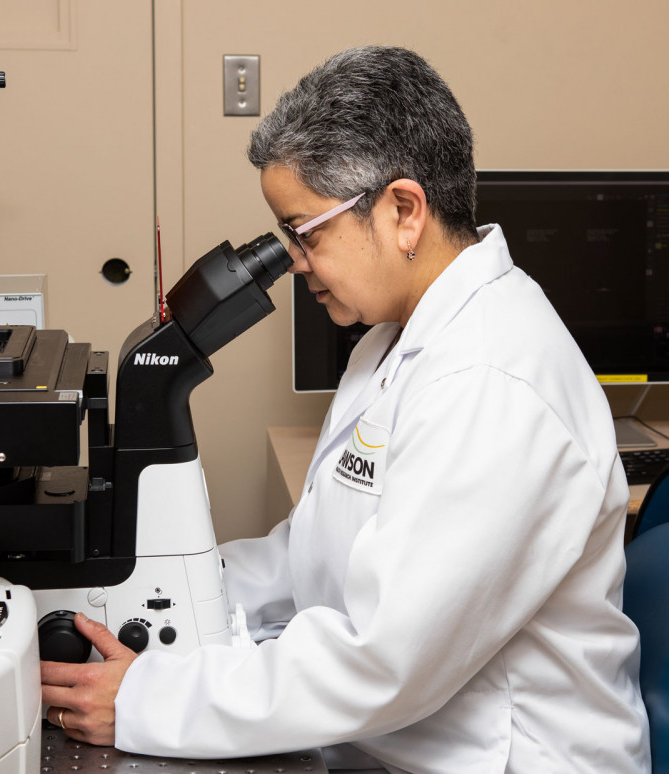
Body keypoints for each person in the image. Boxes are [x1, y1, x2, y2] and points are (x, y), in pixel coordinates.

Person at [40, 46, 651, 772]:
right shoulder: (394, 337)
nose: (294, 262)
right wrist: (177, 588)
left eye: (304, 231)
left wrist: (147, 702)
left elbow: (382, 658)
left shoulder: (491, 383)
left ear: (403, 210)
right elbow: (317, 551)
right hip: (392, 739)